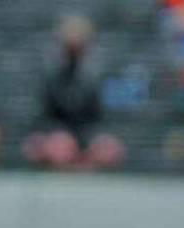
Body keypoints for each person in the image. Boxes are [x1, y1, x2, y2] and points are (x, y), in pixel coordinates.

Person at [23, 14, 124, 171]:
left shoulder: (96, 73)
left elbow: (99, 116)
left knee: (108, 149)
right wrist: (56, 135)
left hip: (88, 131)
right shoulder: (49, 72)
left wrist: (95, 140)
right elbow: (44, 115)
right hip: (56, 130)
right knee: (59, 146)